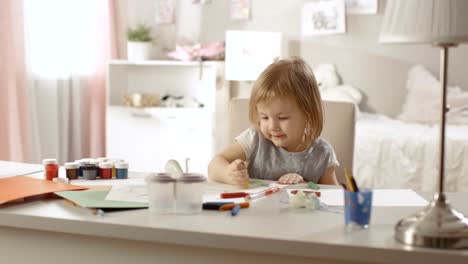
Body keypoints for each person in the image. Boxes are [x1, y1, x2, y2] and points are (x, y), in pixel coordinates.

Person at [208, 57, 339, 186]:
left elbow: (333, 196)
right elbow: (215, 164)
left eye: (282, 118)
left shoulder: (322, 153)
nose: (272, 126)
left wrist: (304, 186)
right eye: (264, 117)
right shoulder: (255, 140)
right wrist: (228, 173)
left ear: (308, 113)